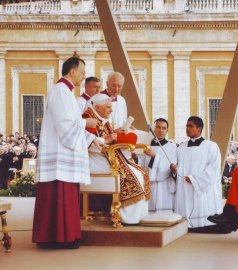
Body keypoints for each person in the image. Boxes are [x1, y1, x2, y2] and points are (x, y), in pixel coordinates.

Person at [32, 57, 100, 249]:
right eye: (82, 72)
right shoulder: (61, 91)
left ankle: (66, 236)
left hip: (62, 152)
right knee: (59, 196)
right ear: (72, 71)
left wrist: (86, 127)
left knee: (66, 196)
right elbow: (65, 123)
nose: (83, 76)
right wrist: (86, 123)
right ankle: (56, 238)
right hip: (59, 153)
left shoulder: (65, 91)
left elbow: (70, 120)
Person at [83, 93, 150, 224]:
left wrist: (117, 133)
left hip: (107, 157)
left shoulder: (102, 120)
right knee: (130, 174)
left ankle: (139, 216)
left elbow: (109, 137)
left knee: (141, 172)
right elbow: (87, 144)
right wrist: (107, 139)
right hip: (95, 160)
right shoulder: (87, 118)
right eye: (108, 107)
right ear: (97, 107)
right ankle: (127, 217)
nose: (111, 110)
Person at [170, 116, 223, 233]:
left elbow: (213, 169)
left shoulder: (211, 146)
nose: (187, 129)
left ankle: (203, 224)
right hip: (184, 186)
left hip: (201, 186)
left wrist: (195, 179)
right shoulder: (181, 147)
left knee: (202, 209)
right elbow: (177, 166)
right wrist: (174, 170)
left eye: (191, 126)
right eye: (187, 126)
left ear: (199, 129)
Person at [137, 118, 177, 213]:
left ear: (167, 130)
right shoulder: (146, 145)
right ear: (154, 129)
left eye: (164, 128)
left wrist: (155, 156)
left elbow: (170, 165)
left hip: (163, 185)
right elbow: (140, 164)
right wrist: (135, 156)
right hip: (147, 184)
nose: (161, 130)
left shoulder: (171, 147)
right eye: (158, 127)